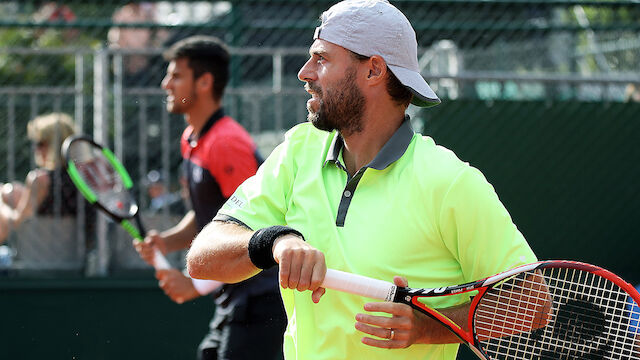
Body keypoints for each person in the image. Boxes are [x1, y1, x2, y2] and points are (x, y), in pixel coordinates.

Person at [186, 1, 538, 359]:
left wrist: (427, 327)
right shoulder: (298, 150)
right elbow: (202, 257)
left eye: (321, 58)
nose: (304, 72)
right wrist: (275, 241)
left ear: (373, 71)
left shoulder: (449, 182)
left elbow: (532, 301)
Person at [133, 35, 286, 360]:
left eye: (176, 76)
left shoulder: (227, 144)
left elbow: (248, 229)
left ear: (204, 82)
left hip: (261, 298)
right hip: (233, 297)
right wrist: (167, 242)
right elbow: (213, 217)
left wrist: (194, 283)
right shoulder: (191, 138)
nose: (165, 84)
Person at [0, 112, 85, 244]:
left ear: (54, 144)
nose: (36, 149)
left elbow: (16, 223)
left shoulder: (40, 180)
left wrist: (1, 205)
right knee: (11, 191)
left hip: (41, 255)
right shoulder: (84, 178)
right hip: (79, 254)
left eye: (40, 143)